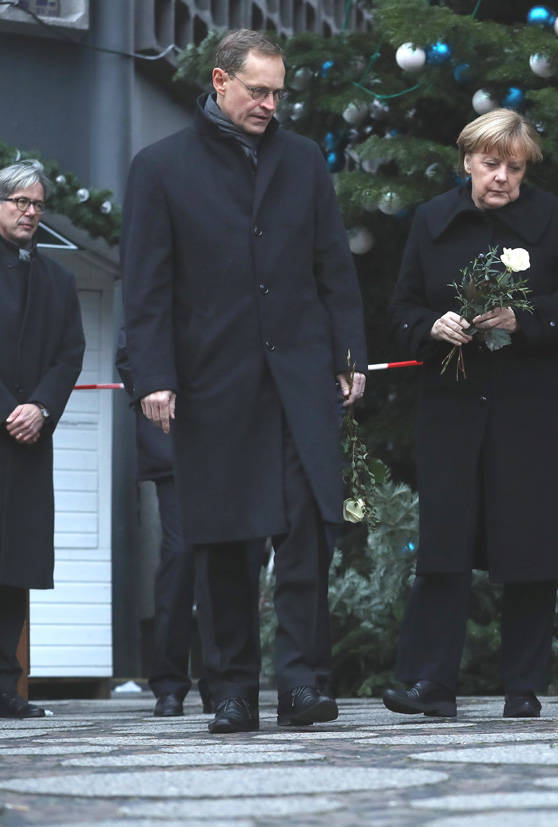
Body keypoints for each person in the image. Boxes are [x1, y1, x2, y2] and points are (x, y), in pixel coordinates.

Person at [120, 29, 367, 733]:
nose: (268, 103)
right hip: (212, 382)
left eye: (277, 92)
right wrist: (153, 378)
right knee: (224, 537)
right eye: (256, 90)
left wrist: (349, 354)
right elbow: (145, 286)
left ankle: (300, 684)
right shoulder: (160, 167)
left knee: (306, 531)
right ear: (220, 81)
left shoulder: (302, 161)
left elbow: (333, 267)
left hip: (300, 379)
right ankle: (230, 688)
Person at [385, 108, 558, 720]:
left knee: (530, 544)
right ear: (466, 162)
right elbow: (399, 306)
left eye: (514, 167)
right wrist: (431, 324)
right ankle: (431, 684)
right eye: (490, 164)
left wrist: (524, 321)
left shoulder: (552, 217)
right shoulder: (431, 219)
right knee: (445, 545)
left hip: (532, 408)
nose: (501, 177)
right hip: (453, 407)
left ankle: (523, 687)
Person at [116, 328, 267, 717]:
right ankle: (168, 683)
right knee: (181, 554)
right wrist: (156, 388)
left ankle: (223, 683)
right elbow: (131, 345)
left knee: (231, 554)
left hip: (234, 436)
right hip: (173, 433)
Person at [0, 160, 85, 718]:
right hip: (5, 424)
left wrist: (41, 408)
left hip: (29, 441)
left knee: (17, 564)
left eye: (37, 204)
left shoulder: (57, 277)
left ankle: (7, 688)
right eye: (19, 202)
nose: (30, 212)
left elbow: (70, 352)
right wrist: (9, 408)